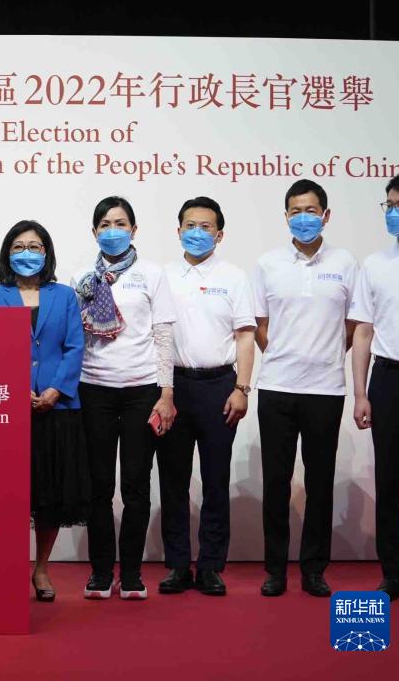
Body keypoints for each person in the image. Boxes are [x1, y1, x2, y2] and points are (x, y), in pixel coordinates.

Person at [252, 179, 357, 598]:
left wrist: (325, 355)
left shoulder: (346, 263)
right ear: (286, 216)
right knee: (275, 482)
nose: (303, 218)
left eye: (311, 211)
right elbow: (260, 325)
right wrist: (285, 355)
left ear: (326, 215)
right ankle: (275, 570)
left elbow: (353, 324)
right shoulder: (268, 263)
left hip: (326, 390)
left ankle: (314, 569)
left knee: (320, 482)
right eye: (295, 211)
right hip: (276, 387)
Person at [71, 196, 177, 601]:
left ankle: (131, 573)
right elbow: (74, 337)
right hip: (93, 388)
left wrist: (166, 393)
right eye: (104, 224)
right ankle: (100, 572)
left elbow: (163, 335)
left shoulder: (151, 274)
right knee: (98, 486)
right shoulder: (81, 277)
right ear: (94, 231)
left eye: (120, 223)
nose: (112, 230)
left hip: (141, 390)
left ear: (134, 230)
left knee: (136, 485)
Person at [0, 220, 88, 602]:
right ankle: (8, 567)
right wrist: (14, 387)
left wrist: (57, 389)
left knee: (50, 496)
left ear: (46, 253)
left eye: (34, 247)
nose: (26, 253)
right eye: (18, 247)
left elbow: (75, 346)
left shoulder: (65, 296)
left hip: (58, 408)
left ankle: (41, 568)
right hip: (9, 410)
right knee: (9, 496)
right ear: (7, 253)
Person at [157, 197, 255, 597]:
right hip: (173, 387)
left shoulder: (234, 276)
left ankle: (212, 565)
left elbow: (245, 336)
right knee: (173, 481)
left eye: (206, 226)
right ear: (178, 230)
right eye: (190, 225)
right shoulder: (162, 276)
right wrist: (162, 390)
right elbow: (158, 336)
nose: (197, 232)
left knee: (216, 480)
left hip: (220, 387)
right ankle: (178, 565)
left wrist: (242, 388)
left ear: (220, 234)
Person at [350, 171, 399, 601]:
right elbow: (362, 332)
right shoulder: (375, 265)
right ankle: (391, 574)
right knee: (388, 482)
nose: (393, 213)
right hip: (388, 380)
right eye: (389, 205)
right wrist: (360, 393)